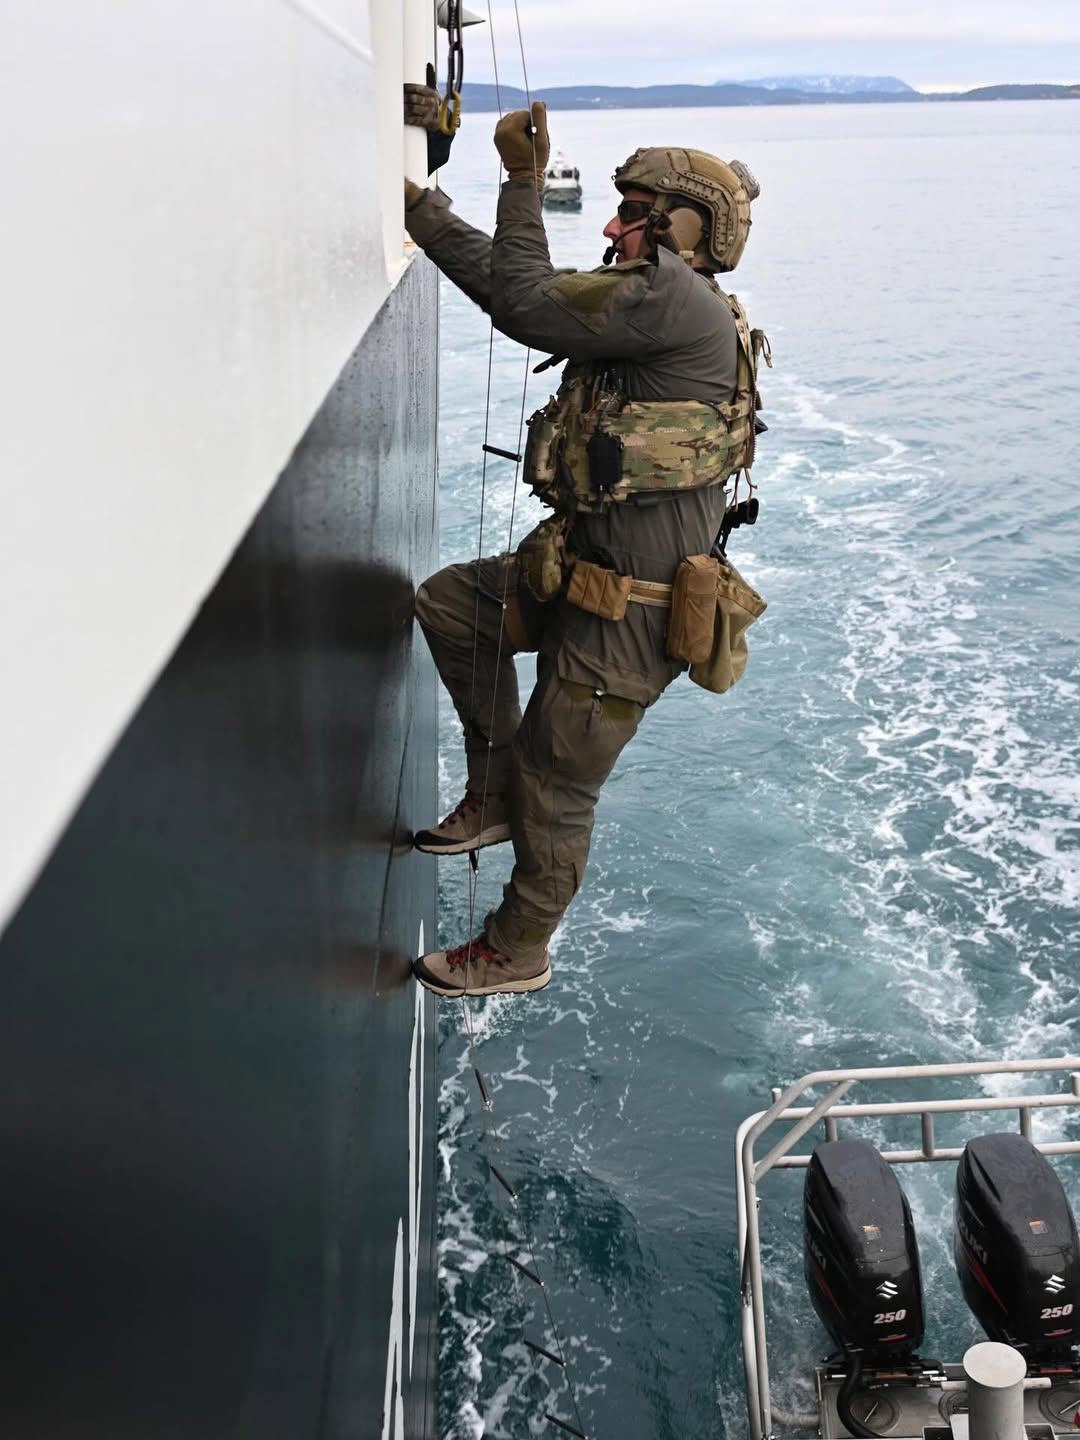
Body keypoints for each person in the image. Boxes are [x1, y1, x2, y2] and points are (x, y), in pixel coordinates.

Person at [403, 102, 765, 998]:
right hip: (580, 574)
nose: (610, 225)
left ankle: (516, 948)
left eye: (632, 212)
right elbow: (511, 283)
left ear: (681, 229)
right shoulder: (658, 302)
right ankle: (489, 797)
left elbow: (522, 301)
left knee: (556, 788)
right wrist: (420, 209)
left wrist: (524, 179)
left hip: (629, 619)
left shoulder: (670, 300)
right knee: (455, 605)